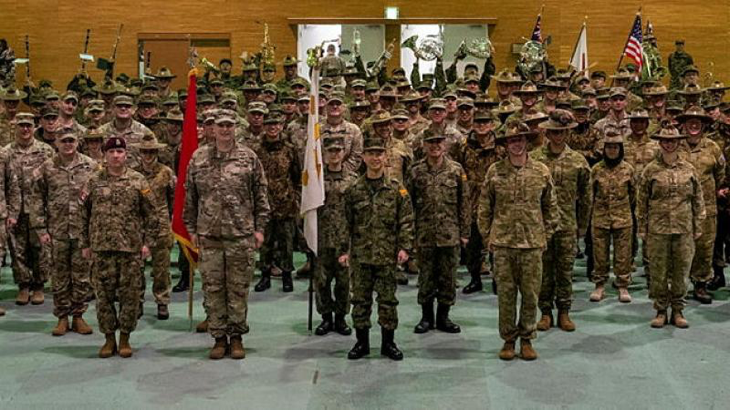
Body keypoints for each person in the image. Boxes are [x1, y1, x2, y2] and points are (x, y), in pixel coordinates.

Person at [183, 109, 270, 360]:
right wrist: (191, 230)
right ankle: (219, 337)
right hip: (209, 235)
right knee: (212, 288)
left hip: (240, 234)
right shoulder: (198, 158)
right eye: (219, 125)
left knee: (238, 289)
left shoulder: (248, 158)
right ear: (212, 128)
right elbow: (191, 198)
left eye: (229, 125)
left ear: (235, 127)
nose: (224, 130)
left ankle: (237, 336)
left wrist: (260, 229)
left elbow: (261, 195)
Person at [478, 121, 558, 361]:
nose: (516, 144)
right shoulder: (495, 171)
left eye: (520, 140)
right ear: (506, 145)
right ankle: (508, 339)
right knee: (506, 294)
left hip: (532, 244)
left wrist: (545, 235)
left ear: (527, 142)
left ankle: (527, 338)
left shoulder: (541, 171)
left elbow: (551, 208)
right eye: (511, 141)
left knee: (531, 294)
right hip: (503, 243)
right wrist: (487, 236)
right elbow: (484, 207)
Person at [81, 136, 160, 358]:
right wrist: (84, 244)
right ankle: (108, 339)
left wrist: (148, 243)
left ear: (126, 155)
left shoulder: (138, 181)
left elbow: (153, 214)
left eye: (120, 152)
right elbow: (81, 214)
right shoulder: (93, 181)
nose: (116, 156)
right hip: (101, 248)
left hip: (130, 249)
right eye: (111, 152)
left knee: (130, 295)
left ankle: (125, 337)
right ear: (105, 156)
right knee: (103, 296)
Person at [342, 138, 414, 361]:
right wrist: (344, 250)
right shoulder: (353, 189)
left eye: (379, 154)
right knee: (360, 301)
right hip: (361, 256)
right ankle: (361, 343)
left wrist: (405, 247)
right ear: (363, 157)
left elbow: (407, 219)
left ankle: (388, 343)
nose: (375, 158)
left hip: (386, 255)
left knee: (388, 301)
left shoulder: (395, 189)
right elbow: (345, 223)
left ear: (385, 157)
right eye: (370, 154)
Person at [31, 128, 99, 335]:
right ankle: (62, 317)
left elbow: (98, 200)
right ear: (56, 143)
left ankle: (78, 316)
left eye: (71, 140)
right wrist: (41, 228)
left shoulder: (91, 166)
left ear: (77, 142)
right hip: (56, 230)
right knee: (59, 276)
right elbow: (36, 200)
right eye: (64, 141)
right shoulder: (46, 168)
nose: (68, 144)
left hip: (81, 233)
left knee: (81, 276)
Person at [638, 125, 705, 328]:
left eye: (673, 141)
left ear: (678, 142)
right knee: (658, 270)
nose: (669, 144)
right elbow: (642, 201)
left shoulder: (689, 169)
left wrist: (698, 224)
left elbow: (698, 199)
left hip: (683, 228)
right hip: (657, 229)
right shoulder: (650, 170)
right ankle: (660, 309)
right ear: (660, 143)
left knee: (681, 270)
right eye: (665, 141)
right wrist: (642, 227)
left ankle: (677, 309)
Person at [532, 110, 592, 332]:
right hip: (541, 225)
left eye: (562, 132)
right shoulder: (535, 159)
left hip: (567, 224)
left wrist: (583, 226)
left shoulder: (578, 161)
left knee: (565, 271)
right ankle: (545, 312)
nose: (558, 136)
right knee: (544, 271)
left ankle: (564, 311)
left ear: (568, 133)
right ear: (547, 133)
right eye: (554, 132)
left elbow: (586, 196)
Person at [407, 133, 469, 334]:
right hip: (424, 234)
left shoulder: (456, 170)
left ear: (445, 145)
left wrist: (465, 232)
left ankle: (444, 317)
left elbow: (464, 202)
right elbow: (408, 205)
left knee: (448, 277)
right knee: (426, 277)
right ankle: (426, 317)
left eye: (439, 142)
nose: (435, 146)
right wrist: (409, 235)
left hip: (450, 234)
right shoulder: (416, 171)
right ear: (424, 145)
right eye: (431, 142)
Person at [677, 106, 726, 304]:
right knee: (679, 246)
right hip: (679, 206)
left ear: (704, 125)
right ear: (684, 124)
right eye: (690, 121)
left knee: (705, 246)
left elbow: (720, 173)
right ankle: (678, 286)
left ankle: (700, 284)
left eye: (698, 122)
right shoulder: (676, 146)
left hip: (707, 207)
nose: (694, 125)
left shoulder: (713, 147)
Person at [6, 112, 55, 306]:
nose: (25, 129)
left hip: (39, 208)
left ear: (34, 127)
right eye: (21, 125)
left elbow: (52, 180)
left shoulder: (46, 150)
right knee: (18, 249)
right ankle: (23, 285)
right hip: (15, 209)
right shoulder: (6, 152)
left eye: (29, 125)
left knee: (40, 248)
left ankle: (39, 285)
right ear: (15, 127)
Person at [313, 134, 357, 336]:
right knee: (322, 282)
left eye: (338, 150)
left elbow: (358, 212)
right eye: (330, 151)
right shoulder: (315, 180)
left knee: (343, 282)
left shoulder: (352, 180)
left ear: (344, 152)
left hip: (343, 239)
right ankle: (326, 317)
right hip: (321, 238)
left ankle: (340, 317)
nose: (334, 154)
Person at [253, 113, 301, 293]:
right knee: (265, 243)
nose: (272, 127)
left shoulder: (290, 149)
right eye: (269, 124)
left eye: (276, 124)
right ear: (264, 126)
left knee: (286, 242)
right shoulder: (256, 150)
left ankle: (287, 276)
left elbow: (296, 175)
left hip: (286, 204)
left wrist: (294, 197)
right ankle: (265, 275)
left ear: (282, 126)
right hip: (264, 203)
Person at [588, 128, 636, 303]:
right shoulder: (596, 170)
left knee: (623, 254)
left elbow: (633, 195)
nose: (612, 150)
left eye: (616, 147)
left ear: (621, 149)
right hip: (600, 218)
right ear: (604, 149)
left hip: (623, 218)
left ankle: (623, 285)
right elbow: (590, 195)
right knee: (599, 255)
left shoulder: (628, 169)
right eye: (609, 147)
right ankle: (599, 285)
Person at [132, 134, 175, 320]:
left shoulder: (166, 173)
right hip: (138, 227)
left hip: (161, 227)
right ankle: (137, 301)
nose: (148, 155)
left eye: (151, 152)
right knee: (135, 269)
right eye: (144, 152)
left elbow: (174, 200)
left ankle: (162, 301)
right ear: (140, 153)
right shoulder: (132, 174)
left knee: (161, 269)